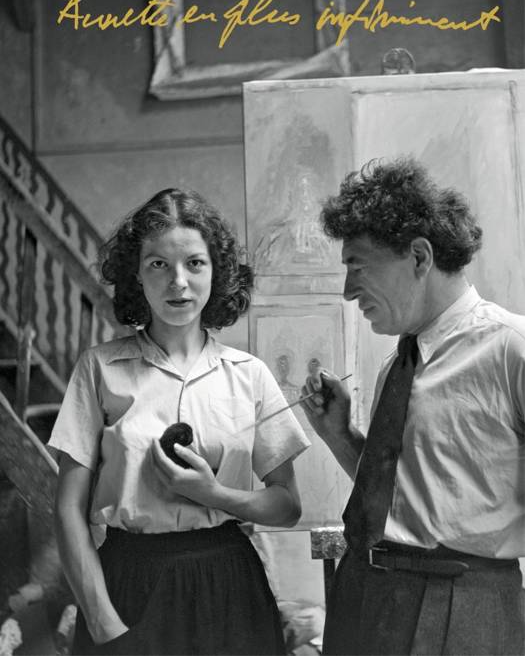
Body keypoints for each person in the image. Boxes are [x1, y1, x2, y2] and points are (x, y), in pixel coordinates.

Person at [48, 188, 310, 655]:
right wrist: (104, 624)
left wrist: (216, 495)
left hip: (230, 588)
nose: (178, 283)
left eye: (194, 263)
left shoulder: (249, 374)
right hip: (128, 584)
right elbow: (68, 508)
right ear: (136, 274)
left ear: (215, 271)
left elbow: (287, 506)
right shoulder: (99, 368)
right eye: (158, 265)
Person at [300, 157, 525, 655]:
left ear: (419, 257)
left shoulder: (512, 348)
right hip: (366, 596)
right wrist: (341, 435)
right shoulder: (398, 364)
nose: (348, 290)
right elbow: (408, 498)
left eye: (358, 266)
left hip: (463, 606)